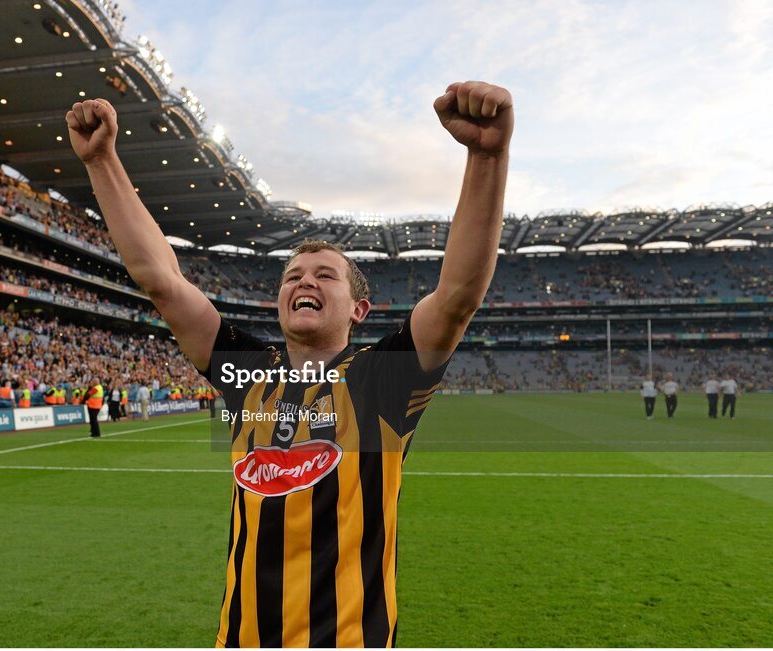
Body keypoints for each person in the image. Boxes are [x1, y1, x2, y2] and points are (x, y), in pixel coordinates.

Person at [66, 79, 512, 647]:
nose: (305, 281)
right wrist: (102, 160)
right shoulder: (245, 373)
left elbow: (457, 296)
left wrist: (487, 155)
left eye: (325, 275)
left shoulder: (382, 380)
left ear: (359, 310)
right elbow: (162, 281)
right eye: (292, 277)